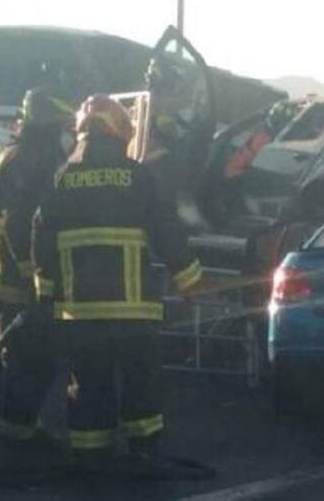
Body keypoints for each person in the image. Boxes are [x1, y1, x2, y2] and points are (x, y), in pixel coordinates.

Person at [32, 94, 202, 469]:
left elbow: (41, 237)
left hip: (79, 310)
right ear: (119, 131)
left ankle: (91, 455)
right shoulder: (139, 176)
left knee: (89, 382)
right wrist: (190, 279)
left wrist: (45, 293)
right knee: (140, 379)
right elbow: (167, 231)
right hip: (133, 309)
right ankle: (144, 452)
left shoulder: (61, 178)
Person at [0, 86, 74, 447]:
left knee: (5, 354)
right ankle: (19, 433)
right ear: (49, 126)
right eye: (64, 125)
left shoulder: (14, 152)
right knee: (33, 357)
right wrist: (36, 277)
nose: (68, 133)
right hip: (15, 281)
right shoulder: (34, 158)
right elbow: (19, 222)